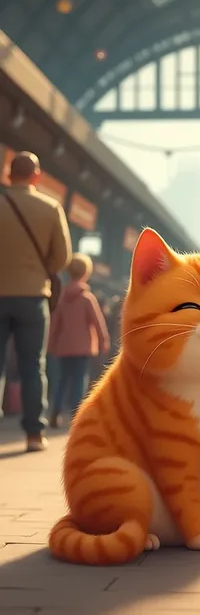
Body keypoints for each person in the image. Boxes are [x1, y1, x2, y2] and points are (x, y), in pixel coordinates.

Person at [0, 152, 71, 451]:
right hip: (33, 297)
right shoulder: (50, 207)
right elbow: (62, 258)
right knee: (33, 366)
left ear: (8, 174)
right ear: (37, 176)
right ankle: (33, 434)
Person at [48, 254, 110, 428]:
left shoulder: (61, 298)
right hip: (83, 348)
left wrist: (51, 344)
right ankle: (75, 416)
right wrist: (103, 341)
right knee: (78, 381)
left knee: (62, 380)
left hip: (63, 347)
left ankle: (55, 412)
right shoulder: (87, 298)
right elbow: (98, 322)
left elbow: (55, 324)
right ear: (86, 273)